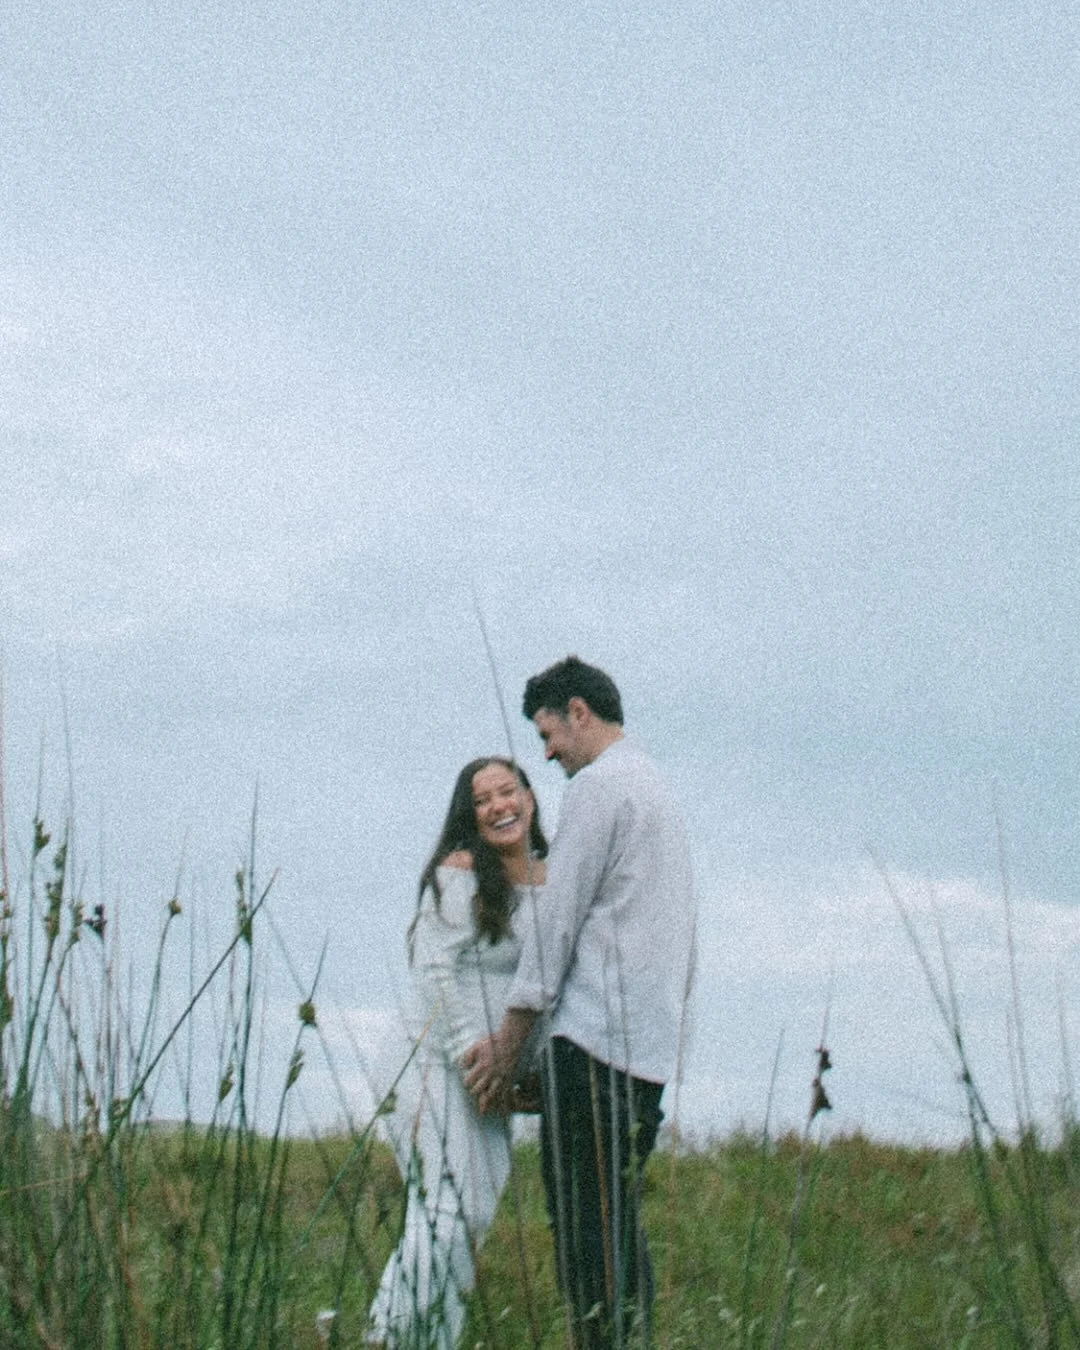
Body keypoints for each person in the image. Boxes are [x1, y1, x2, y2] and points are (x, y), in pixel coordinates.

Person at [463, 657, 696, 1349]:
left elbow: (556, 924)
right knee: (615, 1223)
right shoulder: (657, 790)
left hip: (594, 1048)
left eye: (547, 732)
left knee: (583, 1234)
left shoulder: (600, 789)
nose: (547, 752)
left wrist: (509, 1046)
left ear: (578, 713)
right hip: (644, 1054)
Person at [366, 757, 547, 1349]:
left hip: (492, 1078)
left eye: (508, 791)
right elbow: (434, 971)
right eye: (482, 800)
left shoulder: (555, 877)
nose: (499, 806)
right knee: (449, 1210)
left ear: (530, 797)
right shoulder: (462, 872)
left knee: (470, 1220)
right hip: (433, 1060)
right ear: (469, 817)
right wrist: (475, 1057)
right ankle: (385, 1338)